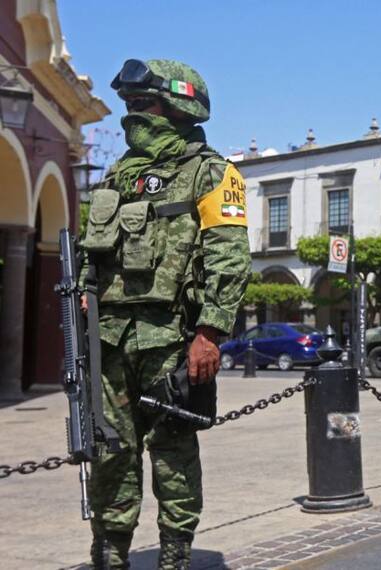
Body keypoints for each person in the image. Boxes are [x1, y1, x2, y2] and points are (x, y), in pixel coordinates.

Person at [80, 59, 251, 569]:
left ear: (176, 106)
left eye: (143, 104)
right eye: (129, 104)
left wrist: (210, 333)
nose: (132, 113)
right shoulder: (118, 174)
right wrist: (83, 300)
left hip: (173, 339)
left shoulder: (212, 172)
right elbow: (93, 256)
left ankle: (175, 555)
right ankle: (110, 554)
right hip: (108, 342)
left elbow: (229, 257)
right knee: (109, 451)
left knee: (173, 453)